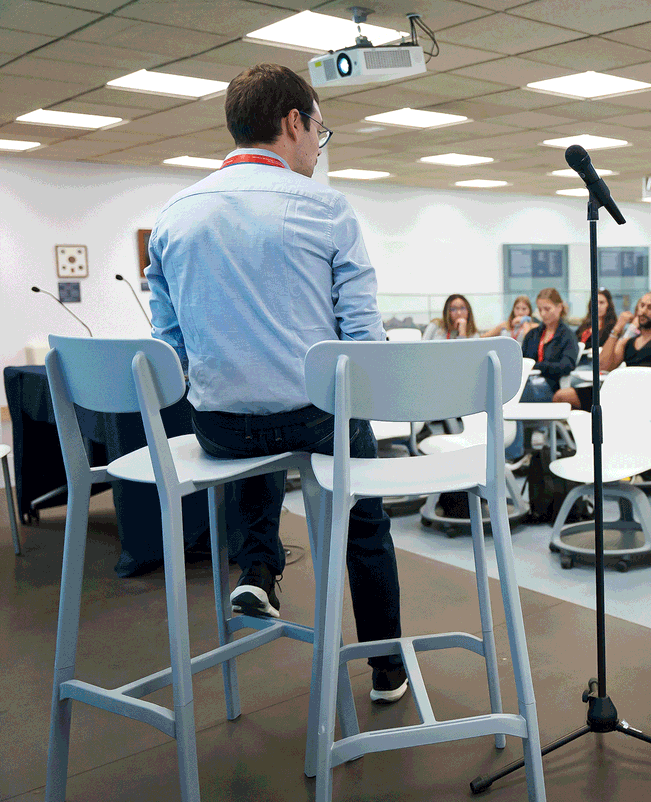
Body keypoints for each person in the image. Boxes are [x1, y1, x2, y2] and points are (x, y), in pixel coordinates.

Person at [145, 64, 406, 702]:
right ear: (293, 122)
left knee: (247, 405)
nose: (319, 145)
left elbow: (168, 349)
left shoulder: (173, 218)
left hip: (220, 431)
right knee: (363, 515)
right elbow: (363, 345)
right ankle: (385, 667)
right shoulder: (327, 208)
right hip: (315, 420)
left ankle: (259, 565)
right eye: (320, 129)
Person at [553, 291, 651, 410]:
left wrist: (624, 384)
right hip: (621, 392)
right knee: (561, 396)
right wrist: (617, 329)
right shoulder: (628, 341)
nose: (643, 311)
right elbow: (603, 366)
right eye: (642, 305)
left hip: (644, 397)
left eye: (650, 307)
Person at [506, 288, 578, 461]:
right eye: (540, 309)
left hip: (549, 386)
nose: (543, 314)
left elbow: (567, 365)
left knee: (515, 393)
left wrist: (539, 366)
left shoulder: (567, 336)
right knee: (512, 390)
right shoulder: (533, 334)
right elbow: (521, 361)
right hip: (529, 383)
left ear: (559, 307)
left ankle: (513, 452)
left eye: (548, 309)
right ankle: (513, 448)